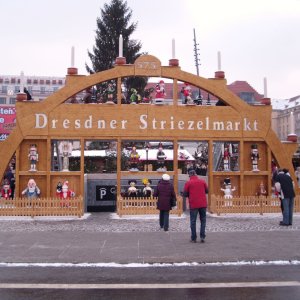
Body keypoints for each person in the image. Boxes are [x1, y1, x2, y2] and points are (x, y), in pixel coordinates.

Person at [184, 169, 208, 243]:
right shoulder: (203, 181)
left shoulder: (188, 183)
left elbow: (185, 194)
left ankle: (193, 238)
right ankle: (202, 236)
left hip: (194, 204)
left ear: (189, 175)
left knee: (193, 221)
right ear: (196, 174)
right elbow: (207, 191)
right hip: (203, 204)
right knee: (203, 220)